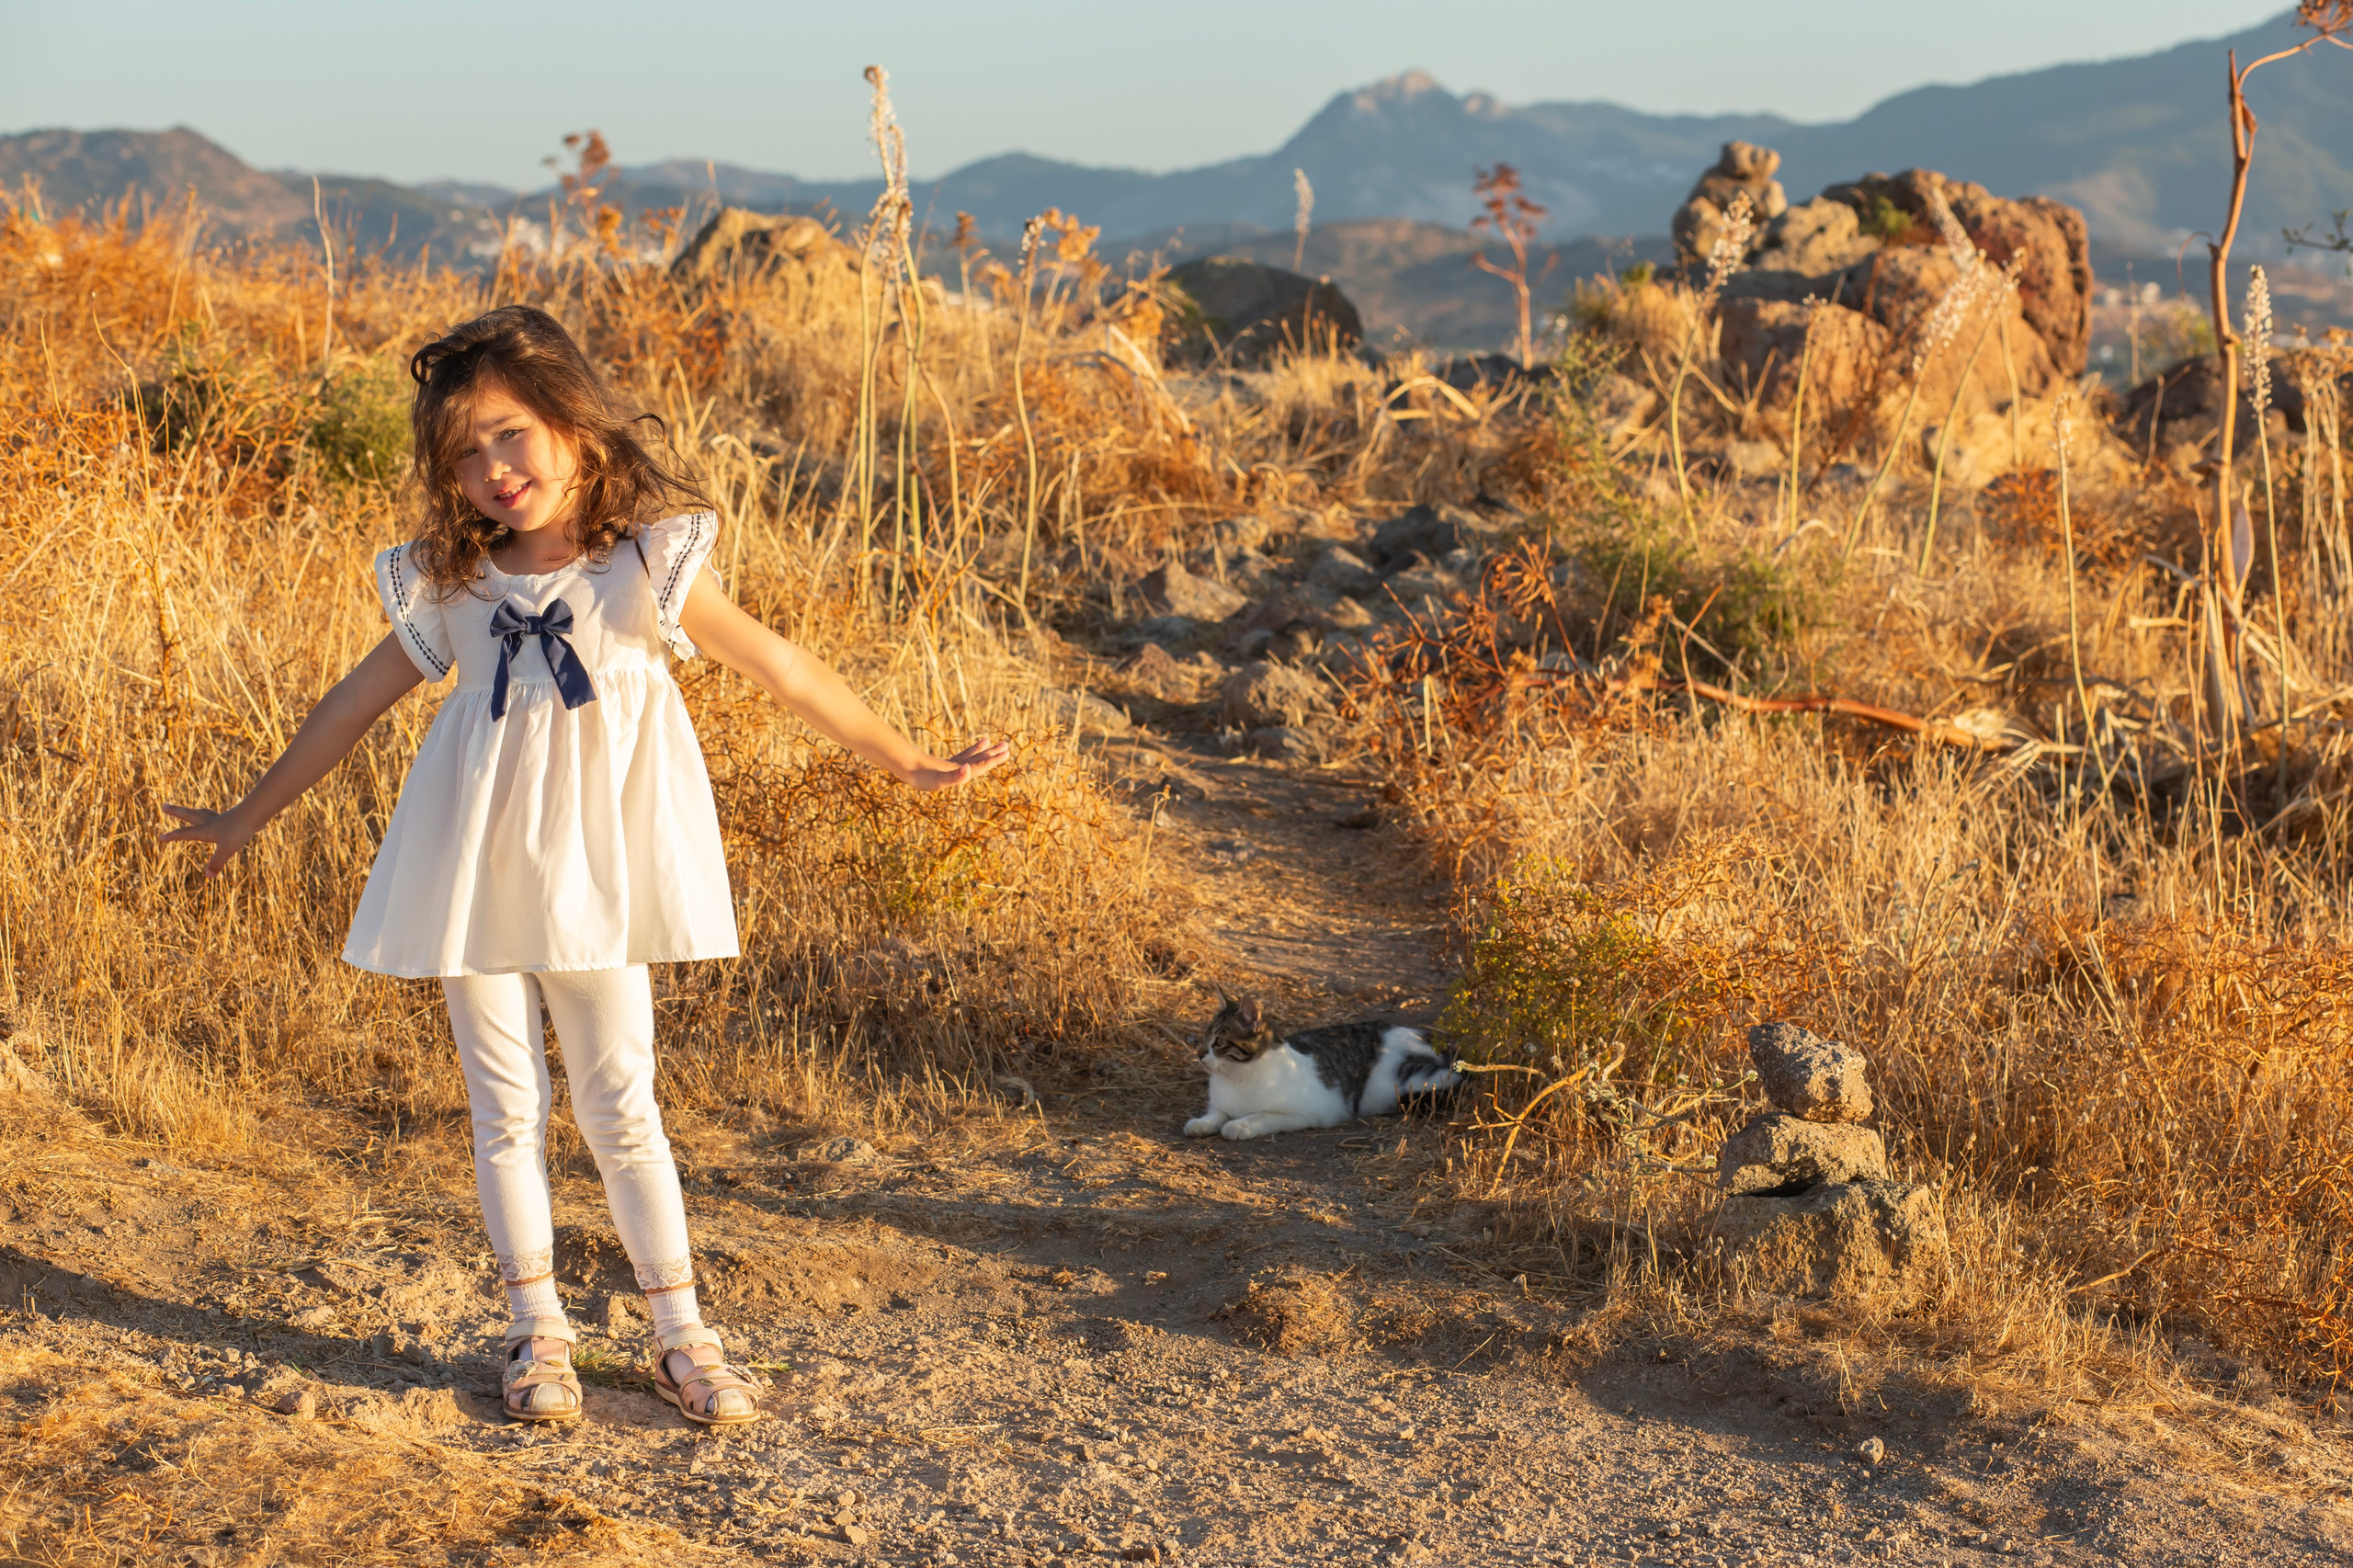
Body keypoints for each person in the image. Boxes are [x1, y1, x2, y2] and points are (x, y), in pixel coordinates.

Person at [162, 304, 1006, 1426]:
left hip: (596, 879)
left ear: (576, 425)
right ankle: (537, 1329)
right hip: (470, 869)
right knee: (502, 1104)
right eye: (463, 453)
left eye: (509, 433)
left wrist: (904, 758)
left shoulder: (644, 566)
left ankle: (679, 1332)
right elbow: (347, 710)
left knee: (620, 1103)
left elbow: (784, 667)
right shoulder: (448, 589)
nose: (492, 468)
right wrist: (246, 813)